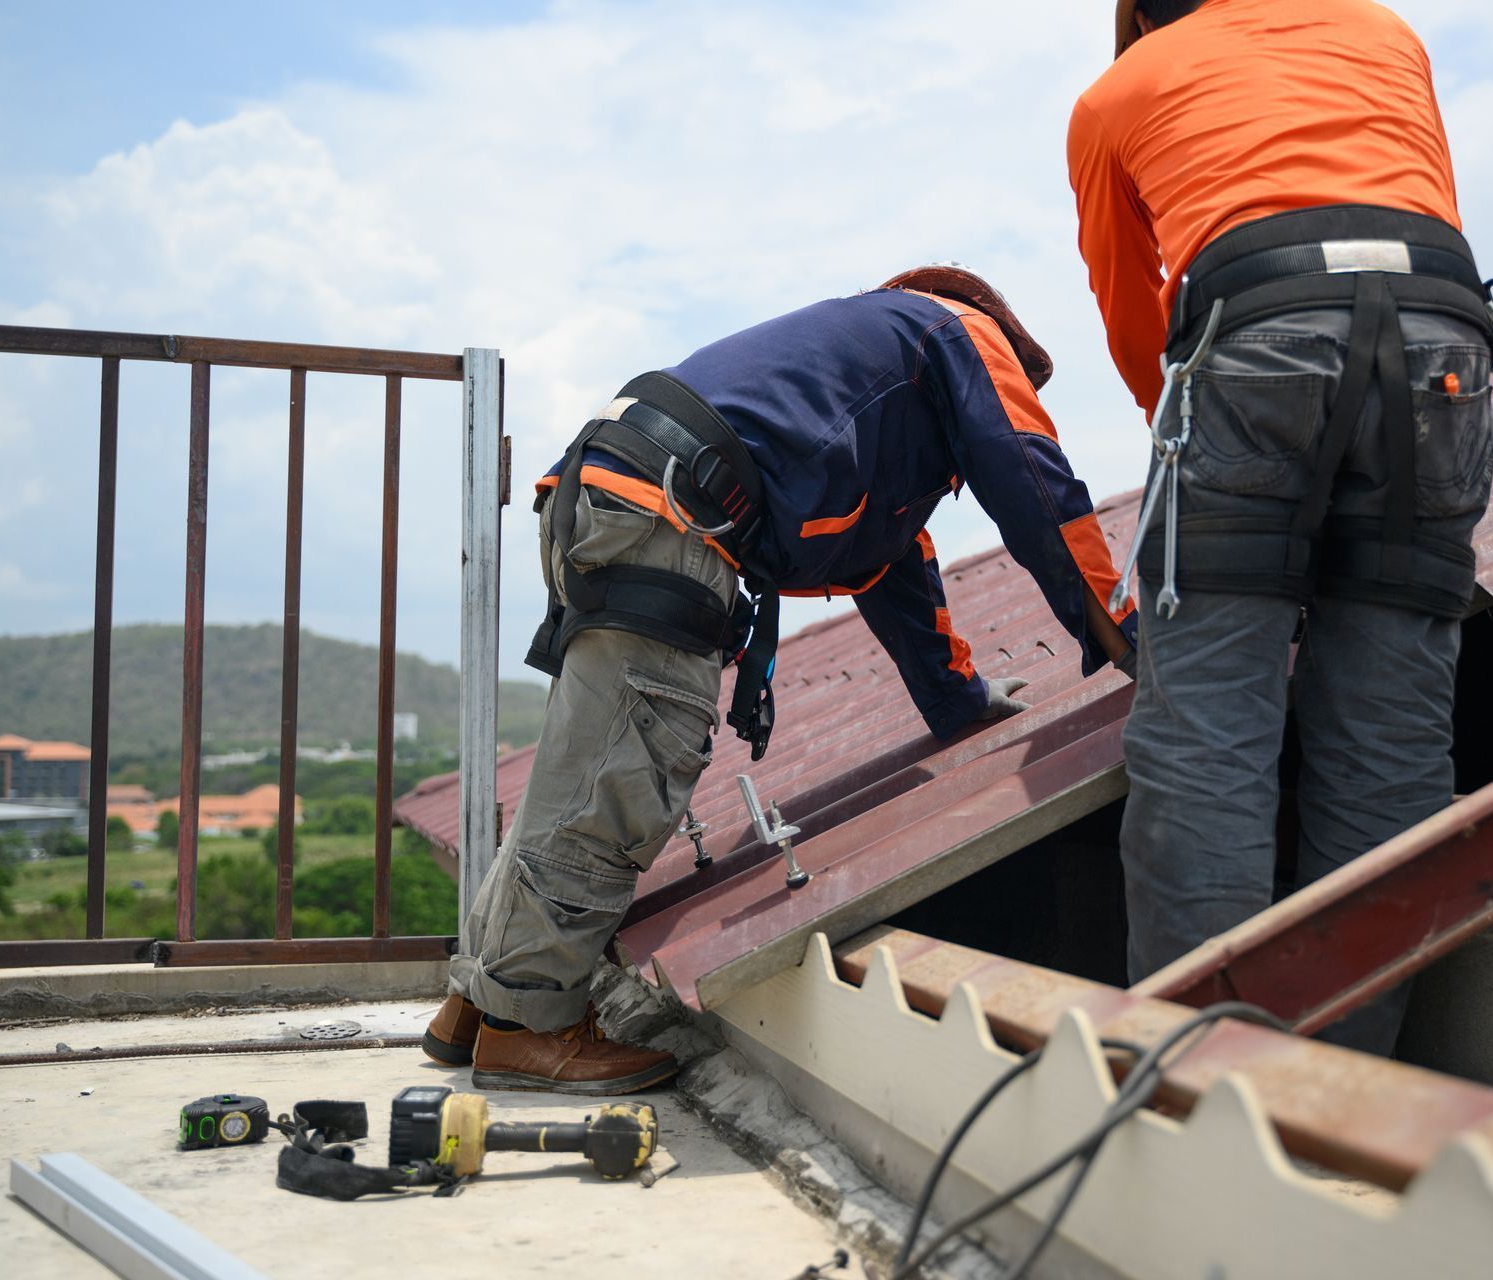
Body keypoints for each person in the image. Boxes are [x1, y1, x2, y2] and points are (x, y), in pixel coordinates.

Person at [423, 266, 1138, 1092]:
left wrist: (958, 701)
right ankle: (526, 1028)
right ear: (1004, 341)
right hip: (669, 509)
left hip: (614, 490)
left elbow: (892, 565)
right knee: (617, 785)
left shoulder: (871, 370)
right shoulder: (958, 334)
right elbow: (1033, 479)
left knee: (578, 770)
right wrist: (1124, 634)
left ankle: (477, 1003)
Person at [1069, 0, 1493, 1053]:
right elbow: (1427, 209)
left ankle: (1200, 1074)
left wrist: (1200, 467)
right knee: (1391, 732)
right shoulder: (1387, 33)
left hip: (1255, 336)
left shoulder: (1118, 92)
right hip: (1442, 345)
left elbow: (1135, 309)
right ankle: (1343, 1077)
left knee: (1208, 726)